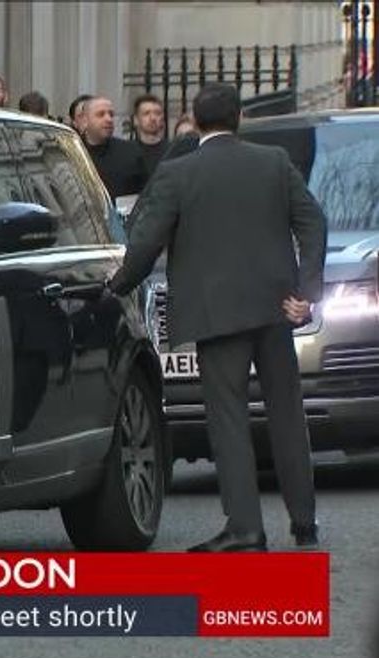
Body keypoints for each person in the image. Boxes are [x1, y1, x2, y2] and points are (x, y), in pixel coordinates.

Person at [106, 83, 327, 552]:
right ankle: (304, 523)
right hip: (274, 309)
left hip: (215, 314)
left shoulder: (178, 174)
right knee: (287, 415)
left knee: (229, 421)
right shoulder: (273, 163)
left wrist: (117, 288)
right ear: (239, 118)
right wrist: (307, 292)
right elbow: (313, 222)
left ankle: (246, 528)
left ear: (195, 120)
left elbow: (145, 245)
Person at [79, 96, 147, 198]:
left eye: (111, 114)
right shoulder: (73, 152)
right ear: (85, 120)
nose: (108, 119)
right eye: (100, 114)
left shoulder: (131, 152)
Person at [132, 94, 167, 180]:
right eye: (146, 113)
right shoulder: (128, 151)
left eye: (157, 113)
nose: (153, 118)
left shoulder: (171, 150)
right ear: (136, 120)